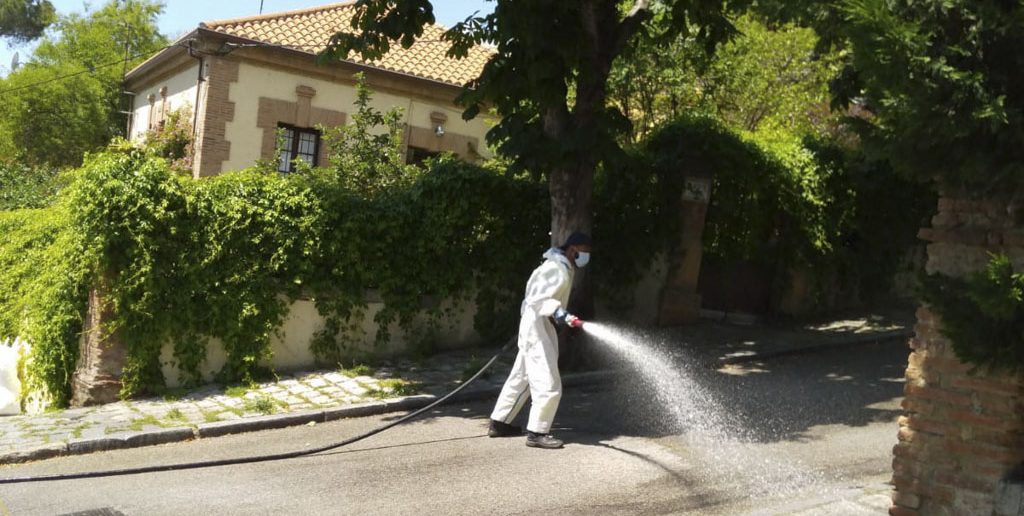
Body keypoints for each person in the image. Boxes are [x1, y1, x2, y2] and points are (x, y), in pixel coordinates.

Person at [488, 231, 592, 449]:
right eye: (584, 251)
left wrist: (558, 313)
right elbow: (539, 298)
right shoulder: (556, 268)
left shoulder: (559, 265)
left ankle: (500, 422)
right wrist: (559, 312)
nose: (586, 255)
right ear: (573, 249)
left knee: (522, 376)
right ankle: (537, 432)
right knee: (548, 381)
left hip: (537, 323)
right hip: (538, 324)